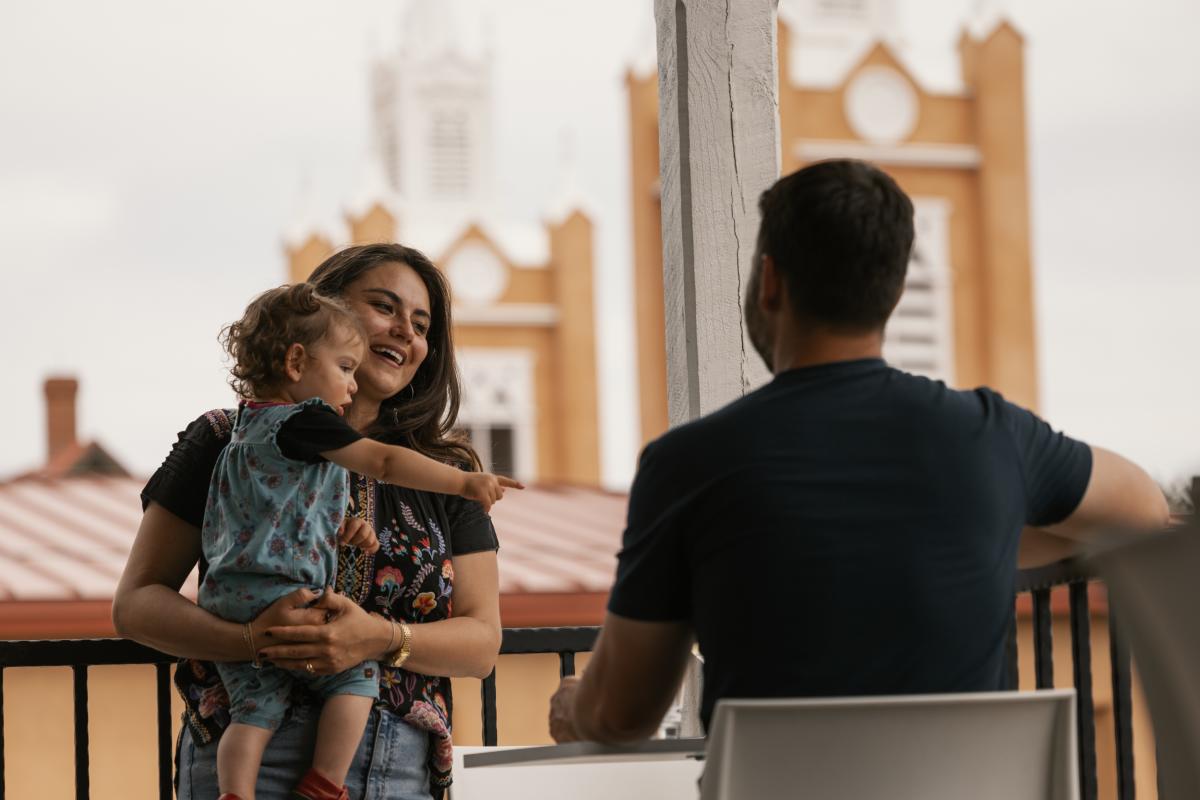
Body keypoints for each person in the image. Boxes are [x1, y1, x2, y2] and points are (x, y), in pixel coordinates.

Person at [548, 159, 1170, 746]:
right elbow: (1142, 510)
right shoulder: (992, 436)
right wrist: (985, 531)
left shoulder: (687, 464)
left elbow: (620, 715)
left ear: (770, 281)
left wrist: (573, 704)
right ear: (893, 293)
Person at [113, 243, 505, 800]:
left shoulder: (445, 473)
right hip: (247, 757)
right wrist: (250, 640)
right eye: (384, 307)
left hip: (393, 769)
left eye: (421, 324)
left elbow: (482, 643)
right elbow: (134, 605)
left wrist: (378, 637)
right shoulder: (227, 438)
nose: (405, 333)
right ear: (325, 313)